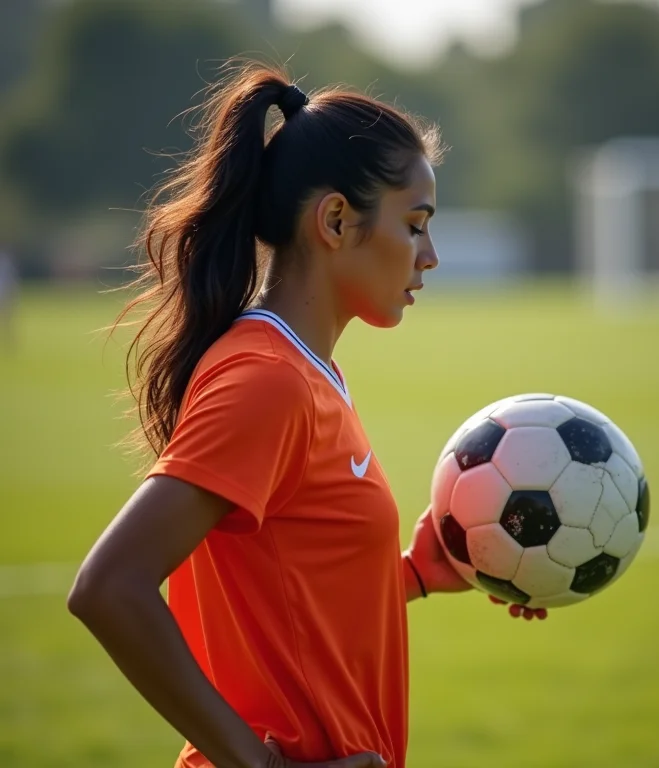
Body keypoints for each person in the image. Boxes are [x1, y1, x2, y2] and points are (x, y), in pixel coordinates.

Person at [67, 63, 547, 768]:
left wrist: (415, 573)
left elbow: (286, 602)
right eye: (415, 226)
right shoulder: (268, 381)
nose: (431, 256)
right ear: (334, 220)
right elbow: (109, 588)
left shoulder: (308, 373)